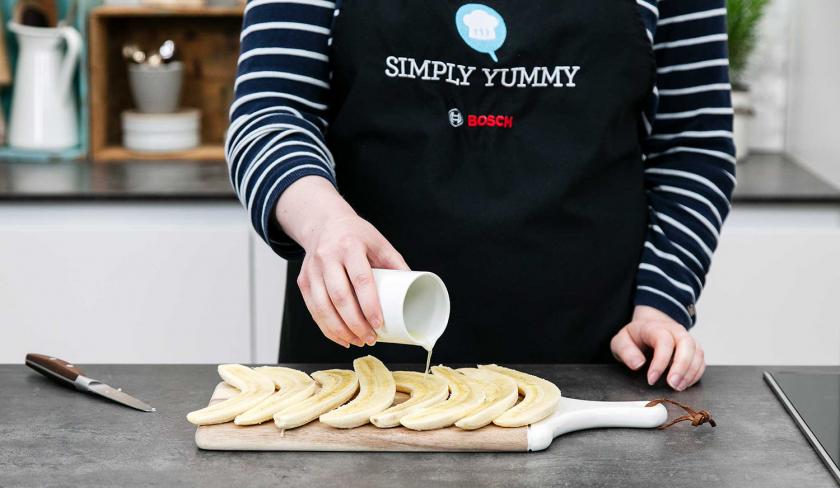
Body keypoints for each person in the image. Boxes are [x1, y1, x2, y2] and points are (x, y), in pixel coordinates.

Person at [226, 0, 735, 391]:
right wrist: (325, 227)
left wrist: (660, 308)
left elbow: (693, 149)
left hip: (592, 369)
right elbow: (271, 111)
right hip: (361, 366)